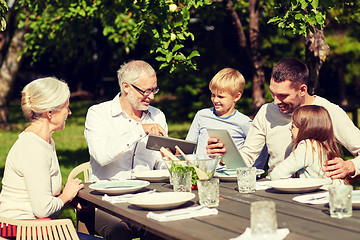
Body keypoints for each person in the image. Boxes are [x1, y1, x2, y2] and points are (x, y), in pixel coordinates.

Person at [207, 58, 360, 179]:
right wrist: (224, 156)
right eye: (273, 94)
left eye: (283, 96)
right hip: (275, 190)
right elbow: (247, 157)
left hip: (317, 195)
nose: (276, 101)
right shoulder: (266, 111)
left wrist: (351, 166)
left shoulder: (327, 111)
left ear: (302, 90)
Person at [0, 77, 96, 239]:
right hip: (21, 232)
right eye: (66, 107)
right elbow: (42, 209)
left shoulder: (45, 141)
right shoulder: (33, 148)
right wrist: (66, 195)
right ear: (50, 113)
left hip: (35, 229)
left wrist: (66, 199)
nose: (70, 112)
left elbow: (39, 192)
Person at [84, 60, 167, 240]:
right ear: (126, 87)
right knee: (120, 235)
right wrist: (139, 130)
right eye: (145, 91)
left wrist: (169, 158)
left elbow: (160, 163)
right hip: (106, 201)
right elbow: (101, 156)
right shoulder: (98, 113)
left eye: (154, 90)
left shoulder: (157, 115)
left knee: (165, 232)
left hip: (146, 198)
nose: (151, 96)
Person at [185, 68, 267, 168]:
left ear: (236, 97)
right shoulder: (201, 115)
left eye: (221, 97)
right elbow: (188, 145)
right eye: (213, 95)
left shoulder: (244, 122)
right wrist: (191, 167)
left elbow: (261, 149)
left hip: (230, 176)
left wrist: (255, 172)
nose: (215, 100)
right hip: (202, 174)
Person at [270, 105, 344, 184]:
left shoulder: (307, 146)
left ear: (305, 130)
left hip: (319, 194)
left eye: (293, 126)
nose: (290, 128)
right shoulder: (324, 146)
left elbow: (276, 175)